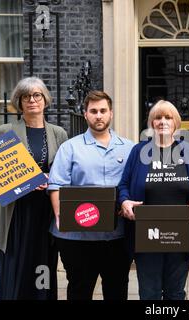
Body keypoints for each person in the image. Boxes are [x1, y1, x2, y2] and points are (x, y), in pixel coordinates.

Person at [0, 76, 68, 300]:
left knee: (43, 263)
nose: (32, 100)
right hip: (17, 212)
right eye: (26, 96)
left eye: (37, 95)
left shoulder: (58, 133)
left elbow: (64, 173)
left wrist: (49, 177)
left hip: (45, 210)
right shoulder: (5, 131)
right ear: (19, 102)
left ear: (45, 100)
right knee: (17, 264)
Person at [47, 90, 134, 300]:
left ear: (111, 113)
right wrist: (62, 219)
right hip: (78, 237)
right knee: (79, 290)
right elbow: (56, 185)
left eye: (103, 110)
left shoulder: (130, 148)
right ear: (85, 114)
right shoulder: (70, 148)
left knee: (117, 289)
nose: (98, 115)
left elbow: (135, 186)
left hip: (117, 236)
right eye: (93, 111)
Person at [118, 100, 189, 300]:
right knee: (150, 294)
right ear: (151, 123)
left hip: (181, 235)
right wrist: (124, 202)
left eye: (168, 117)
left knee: (176, 293)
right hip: (146, 236)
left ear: (176, 123)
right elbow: (123, 185)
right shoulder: (138, 152)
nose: (163, 121)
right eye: (158, 117)